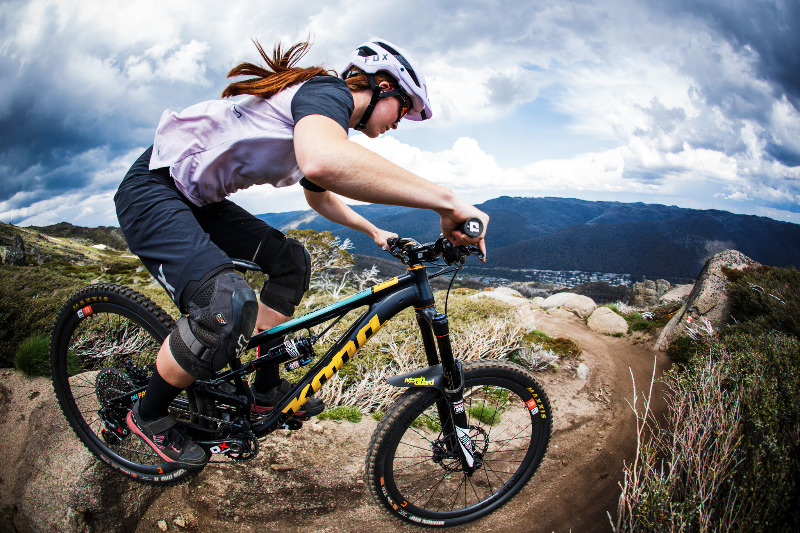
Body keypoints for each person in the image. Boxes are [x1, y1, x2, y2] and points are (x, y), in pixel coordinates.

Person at [114, 38, 489, 468]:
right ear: (382, 85)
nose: (400, 123)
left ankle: (264, 391)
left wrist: (373, 230)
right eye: (403, 109)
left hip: (198, 200)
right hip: (154, 188)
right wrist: (447, 201)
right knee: (222, 304)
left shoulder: (322, 118)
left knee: (291, 263)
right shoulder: (326, 92)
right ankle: (147, 412)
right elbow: (322, 163)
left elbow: (320, 195)